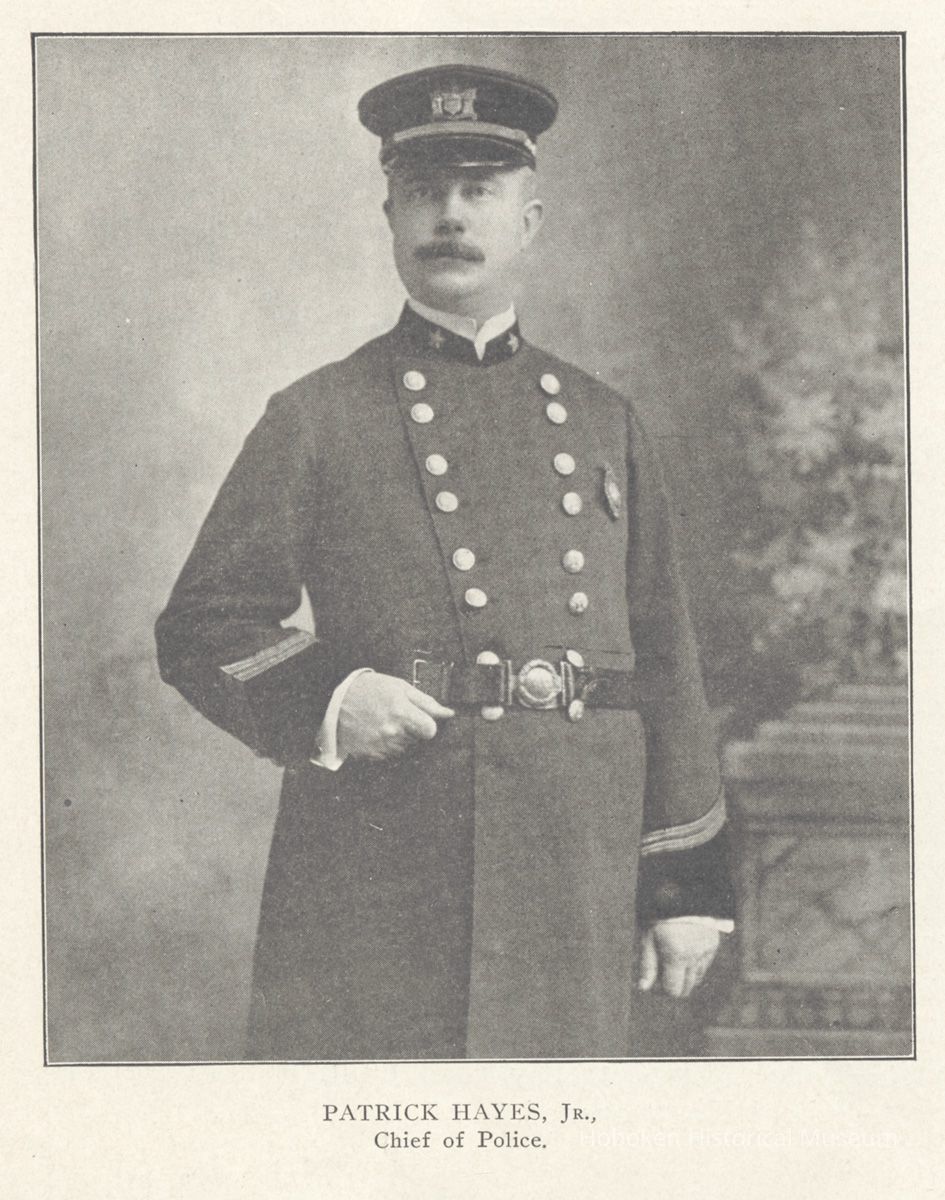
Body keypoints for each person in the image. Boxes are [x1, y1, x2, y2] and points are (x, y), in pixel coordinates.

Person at [155, 63, 735, 1061]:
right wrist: (333, 697)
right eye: (425, 192)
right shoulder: (318, 414)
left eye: (479, 190)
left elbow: (663, 656)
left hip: (574, 859)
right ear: (389, 216)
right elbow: (204, 623)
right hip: (384, 854)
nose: (450, 215)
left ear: (531, 218)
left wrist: (683, 884)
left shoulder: (603, 420)